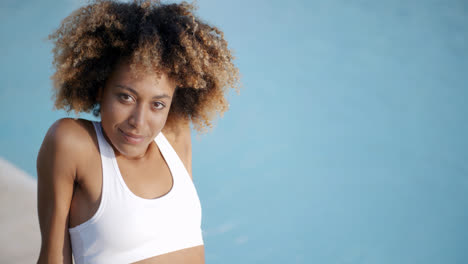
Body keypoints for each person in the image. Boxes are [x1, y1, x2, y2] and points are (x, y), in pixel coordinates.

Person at [36, 0, 240, 263]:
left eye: (157, 104)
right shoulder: (74, 143)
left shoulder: (175, 133)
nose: (139, 121)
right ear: (100, 89)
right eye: (126, 97)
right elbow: (53, 258)